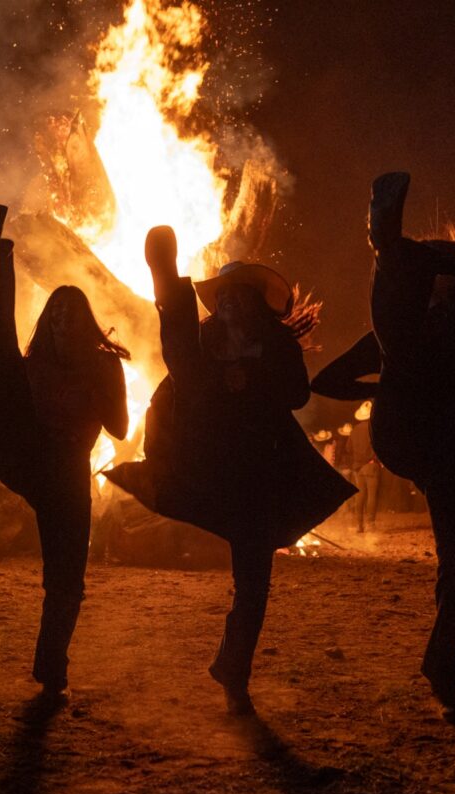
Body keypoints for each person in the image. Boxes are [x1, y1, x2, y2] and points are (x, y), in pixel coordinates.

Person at [105, 225, 354, 716]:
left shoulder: (278, 345)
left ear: (254, 302)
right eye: (224, 298)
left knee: (254, 579)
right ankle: (166, 283)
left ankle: (234, 665)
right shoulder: (204, 338)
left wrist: (253, 376)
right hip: (208, 455)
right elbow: (181, 371)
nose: (230, 305)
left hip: (259, 469)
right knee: (187, 367)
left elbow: (298, 394)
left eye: (239, 297)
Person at [310, 171, 455, 716]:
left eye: (434, 274)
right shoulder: (397, 333)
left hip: (446, 443)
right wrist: (392, 381)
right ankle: (386, 247)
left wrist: (442, 261)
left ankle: (442, 663)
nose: (430, 284)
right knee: (399, 345)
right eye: (422, 273)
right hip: (408, 430)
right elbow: (326, 383)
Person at [0, 205, 129, 704]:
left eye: (69, 314)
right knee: (2, 355)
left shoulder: (104, 366)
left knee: (67, 576)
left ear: (85, 322)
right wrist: (11, 419)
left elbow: (121, 429)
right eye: (53, 314)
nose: (60, 321)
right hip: (27, 454)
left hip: (69, 470)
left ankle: (51, 663)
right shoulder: (32, 366)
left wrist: (100, 386)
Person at [345, 402, 380, 532]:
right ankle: (370, 524)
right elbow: (378, 447)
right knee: (371, 496)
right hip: (371, 466)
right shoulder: (373, 429)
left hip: (358, 468)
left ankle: (358, 525)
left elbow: (348, 448)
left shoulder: (354, 430)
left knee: (360, 497)